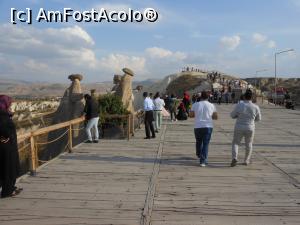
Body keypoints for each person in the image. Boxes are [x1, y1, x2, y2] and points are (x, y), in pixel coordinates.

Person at [230, 89, 261, 167]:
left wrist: (237, 116)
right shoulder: (255, 107)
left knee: (236, 143)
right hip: (250, 127)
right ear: (252, 97)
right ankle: (246, 160)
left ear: (244, 97)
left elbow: (232, 115)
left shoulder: (239, 105)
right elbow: (258, 119)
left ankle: (235, 158)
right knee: (249, 144)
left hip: (239, 126)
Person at [0, 95, 23, 198]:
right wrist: (6, 136)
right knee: (8, 169)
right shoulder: (2, 115)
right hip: (6, 148)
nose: (10, 104)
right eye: (9, 103)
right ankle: (7, 191)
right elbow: (4, 128)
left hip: (6, 147)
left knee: (6, 169)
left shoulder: (4, 114)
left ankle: (10, 188)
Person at [189, 91, 218, 167]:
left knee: (198, 141)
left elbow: (191, 115)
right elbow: (215, 117)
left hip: (198, 126)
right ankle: (203, 161)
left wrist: (198, 114)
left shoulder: (195, 104)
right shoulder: (212, 105)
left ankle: (199, 154)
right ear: (208, 97)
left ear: (200, 97)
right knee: (205, 143)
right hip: (208, 126)